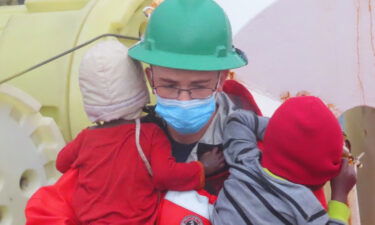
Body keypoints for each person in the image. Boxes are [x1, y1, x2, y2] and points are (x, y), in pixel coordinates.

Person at [25, 0, 262, 224]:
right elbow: (52, 207)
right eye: (169, 85)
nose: (183, 98)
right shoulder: (123, 140)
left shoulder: (252, 141)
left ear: (222, 78)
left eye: (199, 86)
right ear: (150, 78)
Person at [53, 39, 224, 225]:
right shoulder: (149, 134)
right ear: (140, 83)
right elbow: (166, 176)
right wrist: (203, 167)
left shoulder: (85, 137)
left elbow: (62, 163)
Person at [212, 96, 357, 225]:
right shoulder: (305, 206)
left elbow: (238, 120)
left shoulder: (245, 161)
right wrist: (340, 196)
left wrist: (283, 132)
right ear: (321, 178)